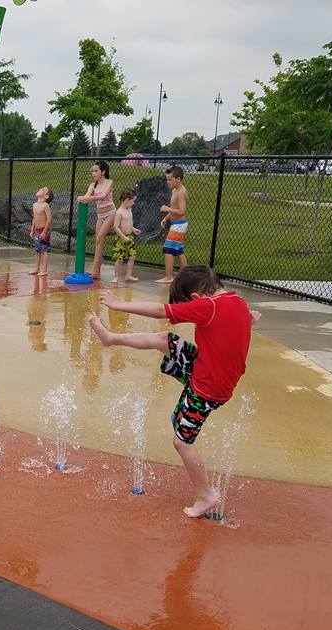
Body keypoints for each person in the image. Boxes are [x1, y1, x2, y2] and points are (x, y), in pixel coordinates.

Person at [87, 265, 259, 518]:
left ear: (195, 299)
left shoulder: (207, 306)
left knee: (182, 441)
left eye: (186, 307)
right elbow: (240, 324)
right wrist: (250, 317)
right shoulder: (237, 302)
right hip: (208, 369)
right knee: (165, 340)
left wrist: (118, 304)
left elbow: (160, 311)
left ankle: (206, 496)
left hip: (207, 389)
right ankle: (111, 338)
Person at [77, 160, 114, 280]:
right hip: (100, 216)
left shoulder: (109, 182)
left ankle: (94, 271)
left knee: (99, 239)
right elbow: (87, 196)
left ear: (103, 172)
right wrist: (82, 198)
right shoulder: (92, 185)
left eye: (96, 171)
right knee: (99, 242)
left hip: (110, 213)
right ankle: (96, 271)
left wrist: (89, 198)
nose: (93, 173)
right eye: (92, 171)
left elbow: (103, 196)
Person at [157, 166, 189, 284]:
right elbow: (175, 209)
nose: (168, 182)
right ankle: (186, 275)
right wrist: (166, 218)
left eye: (170, 180)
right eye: (167, 179)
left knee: (168, 249)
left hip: (179, 225)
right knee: (178, 251)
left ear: (178, 179)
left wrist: (167, 209)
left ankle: (169, 277)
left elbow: (181, 211)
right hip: (177, 223)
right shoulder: (175, 191)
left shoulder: (181, 192)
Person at [111, 190, 141, 285]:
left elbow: (128, 223)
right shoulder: (119, 212)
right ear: (127, 200)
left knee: (132, 256)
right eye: (132, 201)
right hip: (121, 239)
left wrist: (133, 229)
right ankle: (116, 276)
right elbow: (116, 227)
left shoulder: (129, 210)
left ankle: (128, 275)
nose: (133, 203)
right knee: (119, 259)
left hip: (130, 237)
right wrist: (123, 237)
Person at [28, 186, 53, 277]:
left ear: (46, 196)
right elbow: (34, 218)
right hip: (37, 231)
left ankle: (44, 270)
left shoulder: (45, 205)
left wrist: (44, 232)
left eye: (43, 190)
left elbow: (49, 219)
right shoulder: (34, 205)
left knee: (44, 250)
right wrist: (32, 230)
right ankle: (37, 268)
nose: (40, 189)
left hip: (43, 231)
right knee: (37, 250)